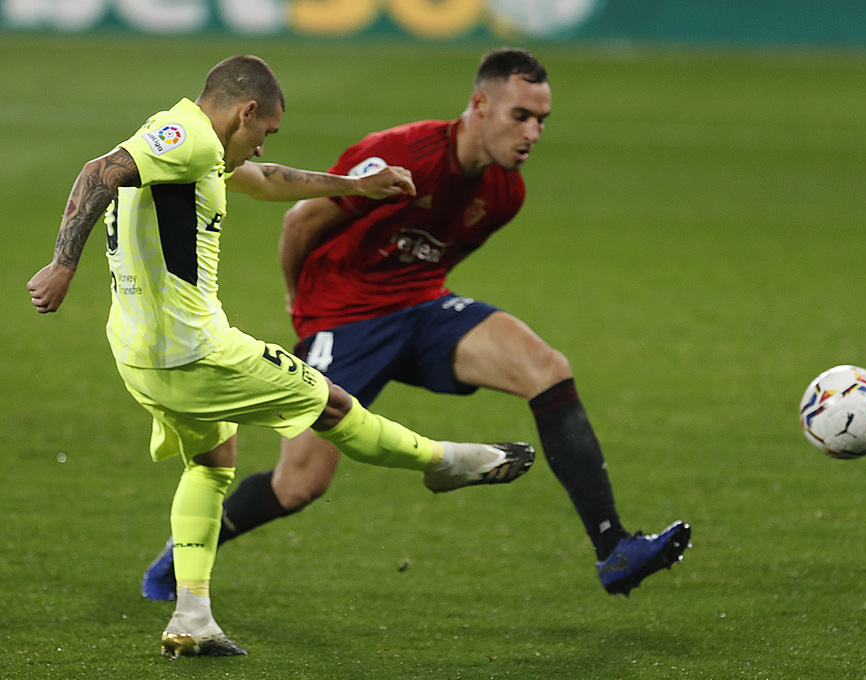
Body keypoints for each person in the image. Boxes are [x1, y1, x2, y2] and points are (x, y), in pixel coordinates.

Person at [27, 54, 535, 658]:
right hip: (195, 352)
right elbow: (98, 173)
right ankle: (442, 460)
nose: (264, 145)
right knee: (332, 403)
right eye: (265, 131)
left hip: (141, 353)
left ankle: (191, 616)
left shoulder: (192, 139)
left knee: (214, 459)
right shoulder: (187, 142)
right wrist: (63, 264)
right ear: (246, 112)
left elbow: (268, 180)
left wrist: (354, 186)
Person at [141, 47, 690, 605]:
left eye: (541, 121)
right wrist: (300, 305)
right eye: (520, 116)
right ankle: (179, 557)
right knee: (299, 484)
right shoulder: (405, 154)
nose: (533, 133)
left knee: (547, 370)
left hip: (421, 308)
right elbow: (301, 222)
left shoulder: (504, 192)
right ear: (480, 104)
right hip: (343, 319)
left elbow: (435, 259)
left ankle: (613, 548)